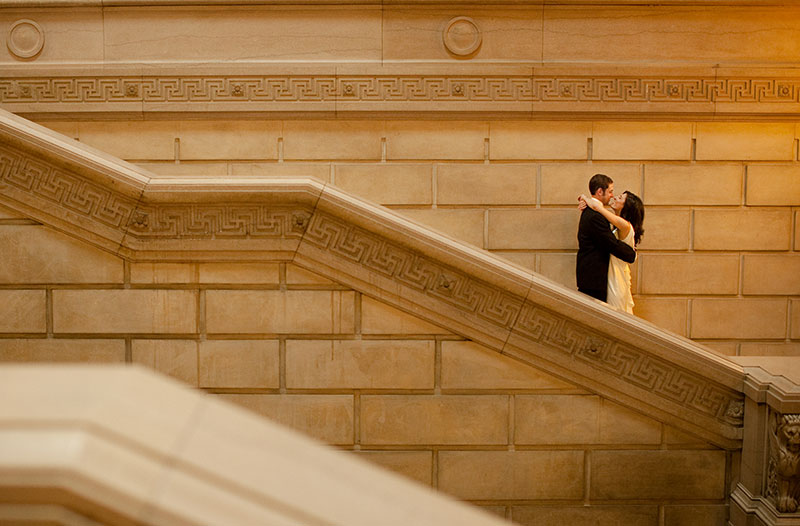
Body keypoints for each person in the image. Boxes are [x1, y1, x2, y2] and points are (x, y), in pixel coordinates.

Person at [578, 186, 645, 314]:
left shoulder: (625, 225)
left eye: (620, 198)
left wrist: (585, 198)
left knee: (616, 313)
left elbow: (598, 208)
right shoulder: (614, 223)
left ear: (626, 207)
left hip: (617, 277)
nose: (614, 197)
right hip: (611, 273)